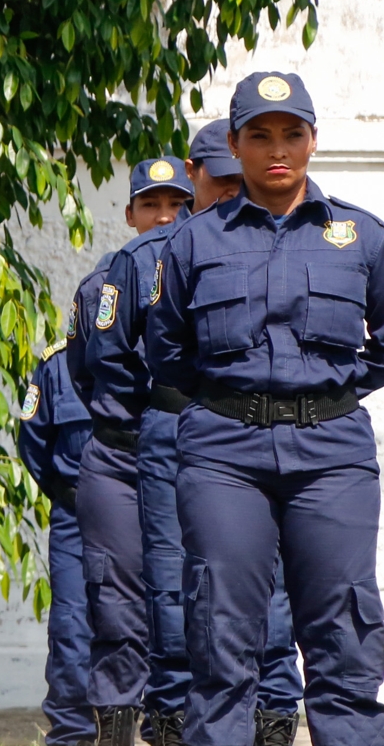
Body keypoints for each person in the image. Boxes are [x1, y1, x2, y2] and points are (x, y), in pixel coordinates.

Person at [148, 72, 384, 745]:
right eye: (260, 135)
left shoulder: (361, 236)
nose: (276, 149)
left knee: (344, 633)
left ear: (314, 140)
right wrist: (234, 402)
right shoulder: (193, 241)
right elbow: (168, 351)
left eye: (291, 133)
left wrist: (325, 394)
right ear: (234, 144)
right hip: (224, 454)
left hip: (332, 456)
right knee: (222, 634)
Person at [86, 128, 302, 746]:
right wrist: (162, 405)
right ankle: (178, 719)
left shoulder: (284, 240)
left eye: (239, 181)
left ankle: (273, 715)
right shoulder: (153, 253)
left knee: (270, 578)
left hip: (260, 429)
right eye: (221, 180)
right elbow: (106, 353)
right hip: (174, 425)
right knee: (174, 579)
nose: (232, 191)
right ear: (196, 175)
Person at [69, 159, 193, 744]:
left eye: (177, 204)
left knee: (188, 601)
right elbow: (84, 373)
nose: (164, 216)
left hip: (190, 457)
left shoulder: (207, 274)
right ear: (129, 215)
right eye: (151, 205)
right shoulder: (101, 286)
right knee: (116, 607)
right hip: (119, 458)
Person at [18, 335, 96, 746]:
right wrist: (70, 495)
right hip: (75, 518)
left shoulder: (158, 352)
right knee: (71, 632)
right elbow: (33, 445)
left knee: (162, 625)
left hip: (146, 515)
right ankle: (73, 735)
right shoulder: (55, 365)